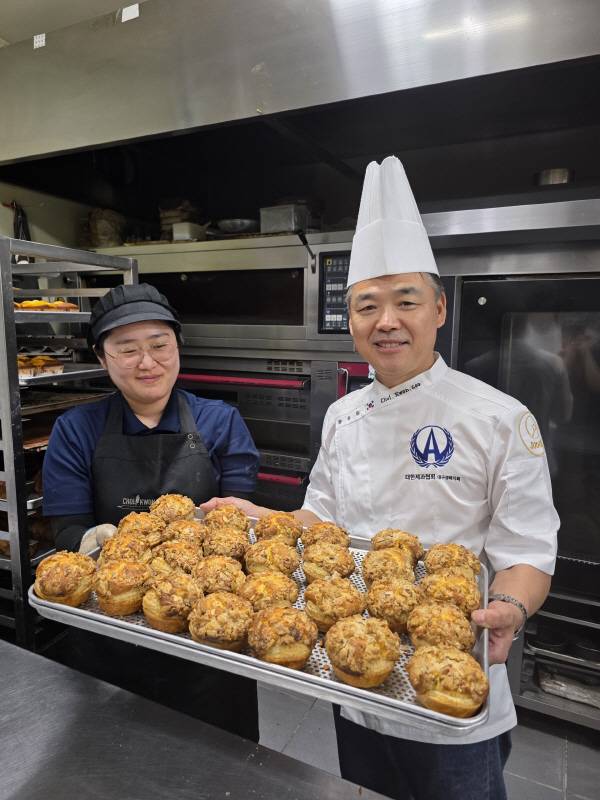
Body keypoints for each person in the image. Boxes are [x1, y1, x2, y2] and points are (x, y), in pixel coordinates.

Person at [202, 157, 559, 798]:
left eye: (406, 301)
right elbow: (321, 521)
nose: (386, 320)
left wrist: (507, 607)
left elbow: (529, 547)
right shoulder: (344, 414)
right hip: (353, 667)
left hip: (453, 676)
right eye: (368, 305)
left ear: (440, 309)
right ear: (352, 319)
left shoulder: (498, 417)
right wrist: (263, 523)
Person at [42, 282, 260, 740]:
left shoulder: (220, 421)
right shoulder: (75, 429)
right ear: (103, 359)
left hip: (209, 635)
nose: (147, 362)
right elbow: (64, 526)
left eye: (159, 345)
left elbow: (241, 530)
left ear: (178, 347)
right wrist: (92, 541)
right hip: (110, 632)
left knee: (220, 758)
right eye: (127, 349)